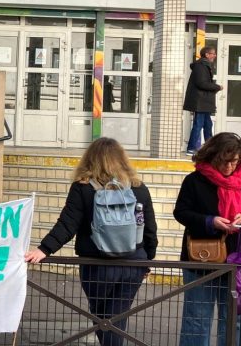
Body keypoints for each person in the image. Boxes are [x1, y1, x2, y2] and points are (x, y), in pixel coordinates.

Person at [25, 138, 158, 346]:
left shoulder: (83, 188)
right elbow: (149, 227)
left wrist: (45, 249)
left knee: (101, 316)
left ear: (90, 160)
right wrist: (148, 258)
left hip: (97, 264)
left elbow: (68, 223)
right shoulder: (138, 188)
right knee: (117, 316)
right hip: (133, 262)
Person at [174, 133, 241, 346]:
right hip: (202, 260)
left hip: (238, 262)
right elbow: (181, 212)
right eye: (223, 162)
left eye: (234, 161)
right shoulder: (194, 180)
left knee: (234, 320)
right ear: (212, 156)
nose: (229, 167)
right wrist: (211, 221)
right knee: (197, 321)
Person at [183, 46, 223, 156]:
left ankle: (210, 149)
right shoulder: (201, 66)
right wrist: (217, 87)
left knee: (207, 125)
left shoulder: (204, 65)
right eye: (213, 54)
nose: (214, 56)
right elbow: (201, 83)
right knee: (198, 124)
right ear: (206, 55)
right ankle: (191, 148)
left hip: (204, 101)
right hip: (200, 101)